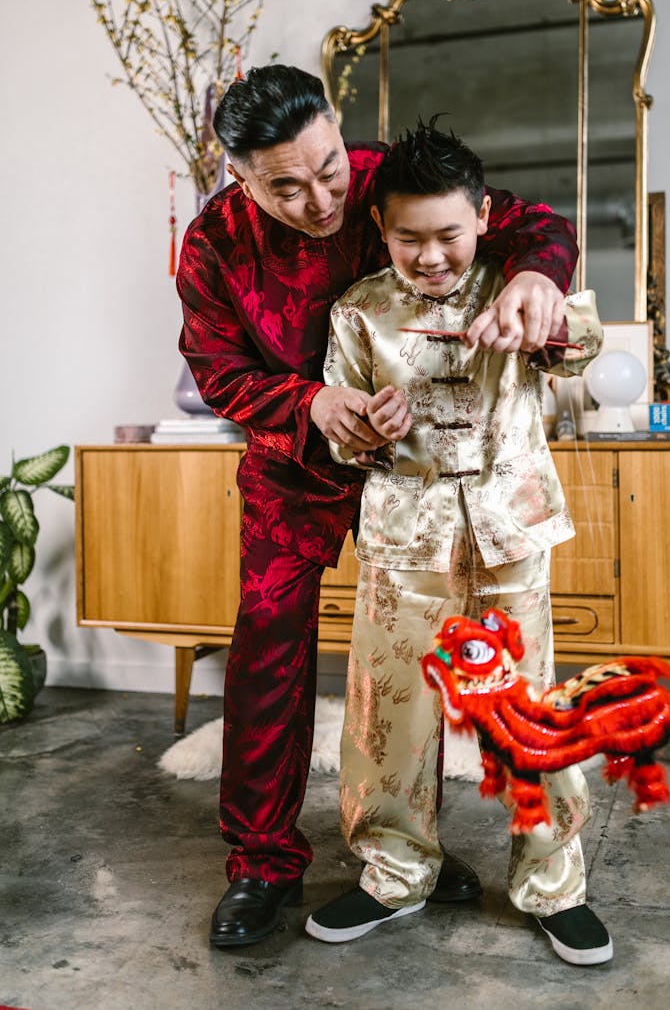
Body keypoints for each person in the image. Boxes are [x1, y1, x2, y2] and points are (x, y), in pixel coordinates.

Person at [175, 64, 581, 949]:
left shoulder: (387, 181)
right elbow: (217, 371)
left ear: (335, 126)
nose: (321, 198)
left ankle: (411, 855)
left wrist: (538, 278)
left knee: (419, 666)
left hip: (424, 480)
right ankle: (262, 862)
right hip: (297, 470)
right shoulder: (211, 244)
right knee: (267, 653)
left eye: (327, 169)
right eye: (286, 184)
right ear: (239, 175)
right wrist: (311, 404)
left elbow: (530, 225)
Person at [305, 118, 611, 966]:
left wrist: (542, 307)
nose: (431, 255)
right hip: (405, 543)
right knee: (387, 714)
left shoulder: (517, 285)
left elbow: (580, 344)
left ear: (483, 215)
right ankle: (392, 873)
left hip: (511, 532)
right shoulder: (359, 314)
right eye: (409, 238)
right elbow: (339, 431)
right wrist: (366, 427)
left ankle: (554, 883)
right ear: (382, 231)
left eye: (448, 234)